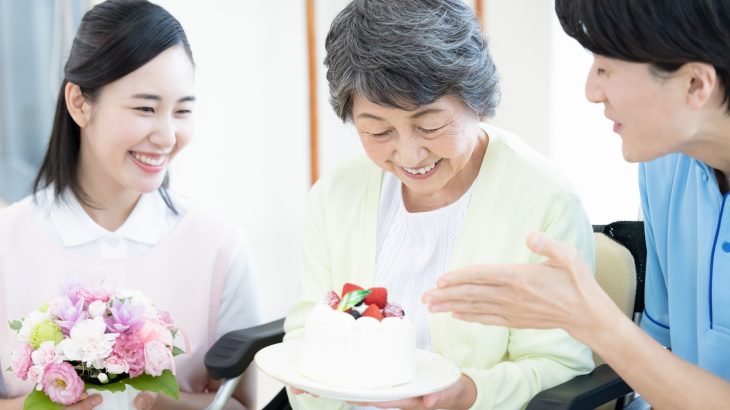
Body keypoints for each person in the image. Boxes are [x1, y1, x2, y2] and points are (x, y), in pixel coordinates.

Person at [283, 1, 595, 409]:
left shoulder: (545, 204)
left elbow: (559, 366)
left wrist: (469, 393)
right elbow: (308, 334)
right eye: (377, 131)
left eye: (429, 125)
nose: (410, 155)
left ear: (476, 99)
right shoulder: (335, 195)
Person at [424, 0, 730, 408]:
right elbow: (663, 358)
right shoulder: (664, 168)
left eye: (605, 69)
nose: (590, 91)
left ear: (695, 84)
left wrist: (591, 319)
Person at [0, 1, 261, 409]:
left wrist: (165, 404)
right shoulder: (7, 242)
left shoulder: (219, 247)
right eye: (145, 108)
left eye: (183, 110)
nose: (167, 135)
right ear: (79, 103)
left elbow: (243, 404)